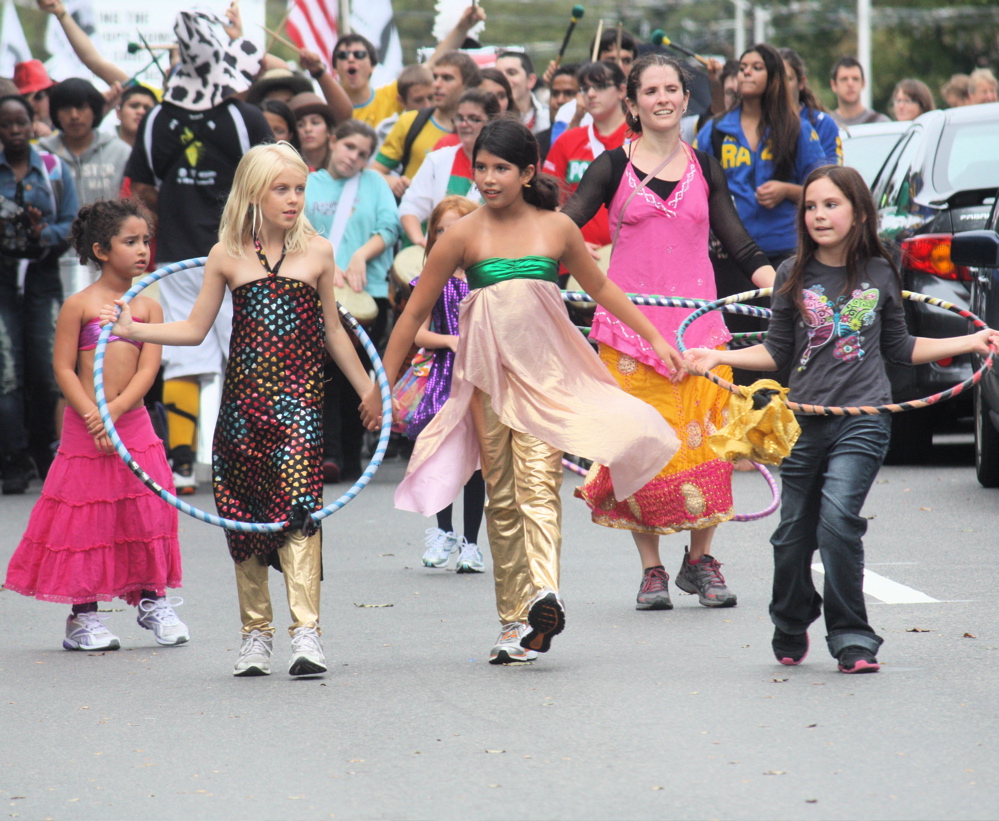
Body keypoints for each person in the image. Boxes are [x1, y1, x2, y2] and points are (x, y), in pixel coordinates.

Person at [361, 118, 683, 664]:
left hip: (548, 380)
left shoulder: (557, 228)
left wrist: (654, 338)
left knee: (538, 487)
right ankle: (514, 623)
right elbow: (413, 313)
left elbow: (601, 288)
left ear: (528, 172)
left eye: (502, 169)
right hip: (487, 381)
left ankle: (543, 596)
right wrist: (380, 387)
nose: (488, 179)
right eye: (481, 168)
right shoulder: (461, 234)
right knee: (503, 498)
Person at [684, 165, 999, 673]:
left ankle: (852, 637)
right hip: (806, 420)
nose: (818, 215)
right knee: (791, 538)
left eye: (831, 205)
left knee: (837, 525)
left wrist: (971, 340)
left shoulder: (880, 271)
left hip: (864, 419)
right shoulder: (791, 274)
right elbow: (777, 351)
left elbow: (900, 347)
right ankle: (792, 617)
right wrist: (719, 356)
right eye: (810, 206)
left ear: (859, 213)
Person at [101, 143, 379, 678]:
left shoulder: (318, 252)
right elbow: (195, 329)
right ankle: (256, 634)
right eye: (281, 189)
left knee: (300, 511)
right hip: (243, 410)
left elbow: (334, 331)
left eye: (300, 189)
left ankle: (306, 633)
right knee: (244, 517)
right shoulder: (226, 254)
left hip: (299, 406)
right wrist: (136, 329)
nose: (294, 199)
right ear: (253, 193)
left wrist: (369, 390)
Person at [563, 54, 775, 612]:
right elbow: (564, 225)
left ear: (685, 99)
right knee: (639, 451)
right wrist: (518, 261)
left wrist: (782, 286)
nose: (662, 98)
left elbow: (739, 242)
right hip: (629, 336)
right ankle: (651, 569)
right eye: (650, 90)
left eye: (671, 89)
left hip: (699, 334)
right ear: (632, 104)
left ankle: (700, 561)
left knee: (708, 449)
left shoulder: (705, 166)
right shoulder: (611, 167)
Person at [4, 199, 187, 651]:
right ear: (101, 250)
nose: (142, 250)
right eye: (131, 241)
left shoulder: (149, 307)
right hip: (86, 427)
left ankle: (153, 600)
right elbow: (63, 368)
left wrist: (115, 410)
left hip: (132, 423)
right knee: (87, 520)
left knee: (146, 509)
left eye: (146, 241)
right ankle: (83, 616)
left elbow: (149, 371)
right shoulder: (79, 305)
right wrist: (93, 413)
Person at [125, 9, 274, 496]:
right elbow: (272, 180)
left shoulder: (158, 119)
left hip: (186, 255)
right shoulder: (244, 117)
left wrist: (169, 220)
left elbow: (143, 188)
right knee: (244, 358)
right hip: (232, 256)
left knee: (188, 358)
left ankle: (189, 463)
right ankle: (243, 461)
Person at [305, 120, 400, 481]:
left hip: (367, 294)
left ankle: (352, 454)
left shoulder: (373, 183)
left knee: (358, 375)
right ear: (332, 141)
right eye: (349, 147)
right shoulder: (309, 183)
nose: (354, 157)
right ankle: (329, 454)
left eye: (362, 154)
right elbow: (298, 231)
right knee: (325, 374)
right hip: (320, 292)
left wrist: (360, 256)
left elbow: (389, 227)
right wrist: (326, 266)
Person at [0, 94, 79, 493]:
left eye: (21, 122)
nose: (15, 130)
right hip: (2, 281)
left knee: (49, 369)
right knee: (7, 371)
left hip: (44, 278)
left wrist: (38, 233)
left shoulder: (54, 168)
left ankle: (47, 452)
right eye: (6, 123)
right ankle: (13, 459)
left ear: (33, 123)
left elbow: (73, 224)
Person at [405, 197, 486, 573]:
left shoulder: (487, 277)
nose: (449, 236)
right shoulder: (431, 279)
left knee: (476, 463)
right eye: (440, 230)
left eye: (457, 228)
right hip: (443, 380)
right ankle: (443, 531)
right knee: (440, 454)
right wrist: (451, 341)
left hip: (480, 377)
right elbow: (417, 332)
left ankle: (471, 543)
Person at [694, 43, 825, 267]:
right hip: (731, 254)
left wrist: (786, 190)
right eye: (742, 67)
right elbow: (693, 188)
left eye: (756, 67)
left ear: (774, 77)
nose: (746, 72)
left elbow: (823, 188)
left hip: (787, 252)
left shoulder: (798, 129)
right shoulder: (715, 130)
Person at [544, 61, 629, 255]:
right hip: (576, 257)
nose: (590, 94)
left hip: (632, 258)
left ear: (621, 90)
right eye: (584, 88)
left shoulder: (642, 138)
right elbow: (546, 203)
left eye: (600, 86)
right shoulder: (567, 141)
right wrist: (572, 243)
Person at [372, 51, 482, 199]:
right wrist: (391, 181)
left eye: (447, 78)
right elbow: (374, 172)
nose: (437, 84)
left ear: (468, 86)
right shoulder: (410, 121)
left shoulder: (482, 131)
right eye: (435, 77)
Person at [399, 88, 499, 246]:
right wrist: (421, 241)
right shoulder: (438, 160)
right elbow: (411, 207)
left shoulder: (503, 166)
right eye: (460, 118)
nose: (464, 124)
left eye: (473, 119)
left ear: (491, 123)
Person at [39, 78, 132, 207]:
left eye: (81, 107)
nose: (74, 115)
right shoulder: (40, 153)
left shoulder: (120, 152)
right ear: (56, 114)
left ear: (94, 111)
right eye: (66, 108)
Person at [779, 48, 842, 166]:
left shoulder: (823, 124)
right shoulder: (760, 124)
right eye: (775, 79)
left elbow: (832, 174)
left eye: (788, 79)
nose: (781, 85)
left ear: (801, 82)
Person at [828, 57, 890, 127]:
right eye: (844, 79)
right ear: (834, 85)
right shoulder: (824, 124)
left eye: (855, 79)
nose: (850, 84)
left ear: (863, 84)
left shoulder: (880, 123)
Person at [496, 50, 548, 133]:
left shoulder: (548, 118)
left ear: (530, 80)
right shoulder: (486, 120)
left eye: (511, 73)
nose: (503, 79)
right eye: (498, 74)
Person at [536, 63, 580, 161]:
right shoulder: (537, 144)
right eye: (555, 94)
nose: (560, 100)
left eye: (569, 93)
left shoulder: (595, 138)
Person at [290, 92, 337, 172]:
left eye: (315, 123)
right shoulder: (288, 168)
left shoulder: (341, 167)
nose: (308, 129)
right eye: (300, 125)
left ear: (328, 130)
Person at [12, 59, 55, 138]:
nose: (30, 103)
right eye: (24, 98)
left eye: (38, 96)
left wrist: (50, 139)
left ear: (50, 96)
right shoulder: (8, 138)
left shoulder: (67, 130)